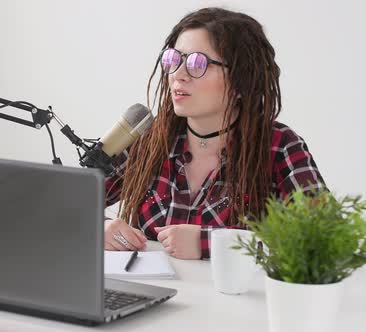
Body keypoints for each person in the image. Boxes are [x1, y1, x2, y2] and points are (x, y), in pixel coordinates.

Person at [104, 7, 326, 259]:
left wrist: (208, 242)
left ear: (243, 80)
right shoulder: (149, 140)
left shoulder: (279, 147)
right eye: (173, 59)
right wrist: (100, 227)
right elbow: (66, 201)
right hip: (153, 295)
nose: (178, 74)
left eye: (197, 63)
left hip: (235, 299)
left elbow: (321, 238)